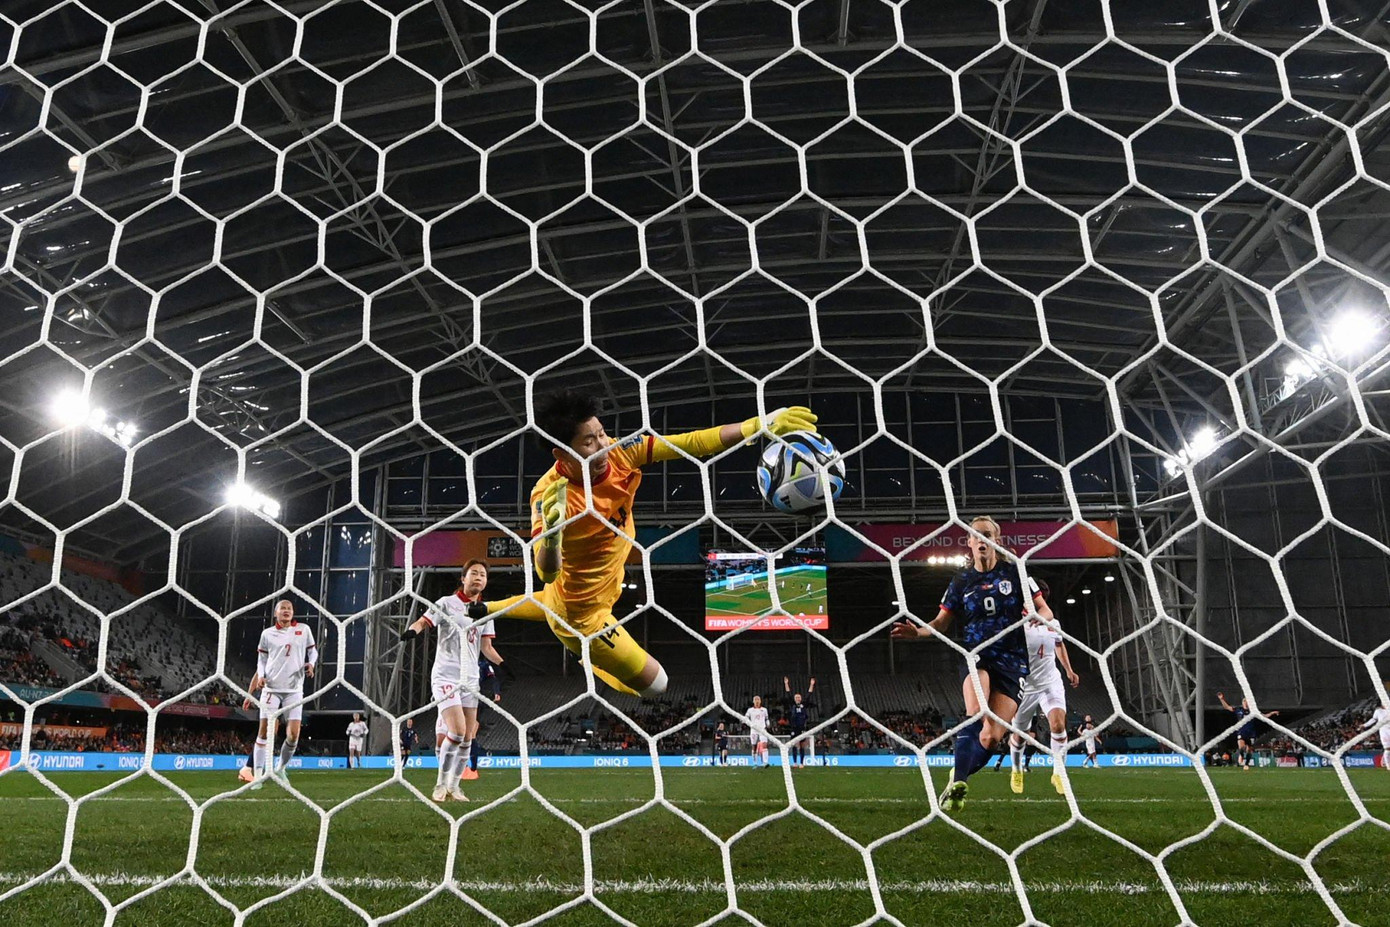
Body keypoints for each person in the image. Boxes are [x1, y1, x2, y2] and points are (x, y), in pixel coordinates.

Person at [470, 390, 816, 696]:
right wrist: (552, 533)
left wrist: (756, 425)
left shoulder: (619, 453)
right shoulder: (550, 495)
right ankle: (589, 659)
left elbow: (691, 443)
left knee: (552, 598)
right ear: (562, 453)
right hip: (582, 618)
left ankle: (498, 607)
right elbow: (546, 572)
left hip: (594, 588)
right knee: (656, 685)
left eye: (601, 433)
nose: (603, 444)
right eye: (589, 442)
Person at [891, 515, 1051, 813]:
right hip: (976, 654)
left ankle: (958, 773)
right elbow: (941, 622)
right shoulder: (961, 581)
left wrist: (1038, 618)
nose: (981, 540)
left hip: (1013, 661)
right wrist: (919, 632)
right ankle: (960, 783)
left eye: (987, 534)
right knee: (975, 712)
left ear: (997, 540)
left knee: (991, 738)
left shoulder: (1016, 572)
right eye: (976, 535)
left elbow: (1045, 610)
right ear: (969, 542)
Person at [401, 559, 503, 801]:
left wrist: (503, 666)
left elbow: (486, 647)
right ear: (463, 578)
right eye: (474, 573)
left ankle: (455, 787)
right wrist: (413, 631)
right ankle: (440, 784)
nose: (478, 577)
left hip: (471, 679)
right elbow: (424, 621)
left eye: (483, 575)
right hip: (446, 675)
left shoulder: (486, 610)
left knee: (467, 738)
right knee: (456, 732)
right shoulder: (446, 603)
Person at [1008, 579, 1080, 795]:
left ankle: (1059, 773)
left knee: (1058, 725)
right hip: (1026, 685)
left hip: (1050, 680)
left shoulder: (1052, 622)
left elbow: (1059, 645)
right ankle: (1016, 769)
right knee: (1020, 734)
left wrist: (1069, 670)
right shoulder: (1015, 624)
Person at [239, 600, 316, 788]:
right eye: (283, 608)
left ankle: (280, 768)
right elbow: (261, 661)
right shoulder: (267, 634)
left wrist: (311, 664)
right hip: (271, 689)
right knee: (265, 731)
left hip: (294, 690)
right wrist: (261, 678)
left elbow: (313, 652)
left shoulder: (303, 630)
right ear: (276, 613)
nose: (286, 611)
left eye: (289, 608)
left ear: (293, 612)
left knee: (293, 735)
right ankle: (257, 776)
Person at [1217, 692, 1279, 771]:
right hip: (1241, 732)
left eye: (1247, 701)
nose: (1245, 702)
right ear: (1242, 703)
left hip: (1250, 733)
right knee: (1241, 747)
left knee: (1249, 750)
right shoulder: (1238, 710)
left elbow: (1264, 716)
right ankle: (1241, 755)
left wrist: (1272, 713)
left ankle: (1246, 764)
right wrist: (1222, 699)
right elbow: (1227, 707)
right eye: (1244, 701)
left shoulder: (1253, 711)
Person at [783, 676, 815, 768]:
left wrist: (811, 685)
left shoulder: (803, 704)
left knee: (802, 745)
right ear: (794, 699)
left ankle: (801, 763)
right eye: (796, 697)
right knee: (794, 744)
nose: (797, 698)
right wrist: (786, 684)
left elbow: (809, 694)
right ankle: (795, 762)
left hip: (802, 727)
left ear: (800, 698)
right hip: (794, 727)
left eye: (799, 697)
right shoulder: (792, 704)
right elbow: (788, 693)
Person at [1359, 696, 1390, 770]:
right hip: (1384, 731)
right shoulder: (1378, 711)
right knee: (1388, 748)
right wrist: (1365, 725)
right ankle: (1388, 765)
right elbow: (1373, 719)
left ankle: (1385, 762)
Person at [747, 696, 770, 768]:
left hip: (762, 729)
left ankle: (765, 762)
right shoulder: (750, 710)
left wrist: (768, 723)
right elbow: (746, 718)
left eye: (758, 699)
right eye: (755, 700)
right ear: (753, 701)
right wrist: (749, 724)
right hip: (754, 730)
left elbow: (766, 718)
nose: (757, 701)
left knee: (764, 745)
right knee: (754, 746)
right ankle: (755, 763)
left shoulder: (764, 710)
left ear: (760, 701)